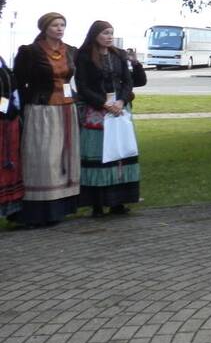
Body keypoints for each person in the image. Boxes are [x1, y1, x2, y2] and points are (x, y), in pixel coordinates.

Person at [11, 12, 80, 226]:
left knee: (63, 159)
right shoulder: (30, 51)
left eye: (62, 25)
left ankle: (59, 209)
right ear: (44, 28)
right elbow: (19, 82)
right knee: (43, 159)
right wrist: (19, 110)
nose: (59, 29)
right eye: (55, 25)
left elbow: (71, 80)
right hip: (41, 110)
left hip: (67, 109)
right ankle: (36, 211)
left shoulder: (70, 50)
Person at [75, 21, 139, 217]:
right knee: (99, 155)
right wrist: (102, 103)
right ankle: (97, 204)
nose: (109, 36)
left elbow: (128, 82)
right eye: (105, 33)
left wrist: (121, 101)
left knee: (120, 153)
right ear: (95, 35)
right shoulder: (84, 56)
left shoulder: (118, 54)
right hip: (97, 112)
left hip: (119, 110)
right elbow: (82, 85)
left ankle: (118, 202)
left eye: (111, 33)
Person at [0, 54, 23, 218]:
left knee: (8, 166)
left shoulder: (3, 64)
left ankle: (10, 210)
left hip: (8, 123)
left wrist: (14, 110)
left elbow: (13, 92)